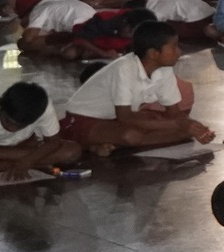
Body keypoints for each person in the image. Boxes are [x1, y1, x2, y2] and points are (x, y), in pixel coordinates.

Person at [61, 22, 214, 154]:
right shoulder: (124, 68)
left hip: (116, 119)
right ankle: (105, 143)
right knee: (131, 136)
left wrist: (197, 128)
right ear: (153, 54)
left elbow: (174, 113)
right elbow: (125, 117)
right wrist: (179, 124)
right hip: (84, 119)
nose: (179, 51)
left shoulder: (165, 69)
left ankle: (112, 144)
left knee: (170, 125)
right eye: (173, 47)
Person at [0, 82, 81, 179]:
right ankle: (40, 165)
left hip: (25, 146)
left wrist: (28, 161)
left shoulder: (42, 108)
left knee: (72, 151)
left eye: (21, 126)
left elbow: (53, 142)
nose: (12, 129)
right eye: (7, 121)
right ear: (0, 104)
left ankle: (6, 162)